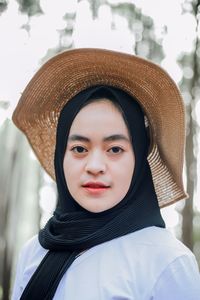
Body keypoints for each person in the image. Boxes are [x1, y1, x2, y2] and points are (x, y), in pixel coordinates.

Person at [11, 48, 200, 300]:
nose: (95, 165)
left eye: (115, 149)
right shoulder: (34, 251)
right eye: (79, 148)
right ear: (60, 158)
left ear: (139, 161)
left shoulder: (167, 261)